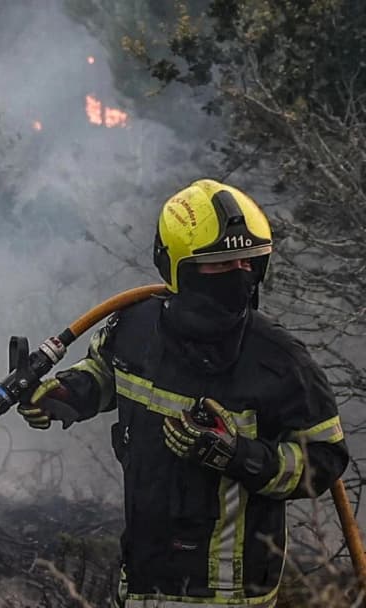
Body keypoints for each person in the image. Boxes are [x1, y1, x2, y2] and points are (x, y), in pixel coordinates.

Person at [17, 179, 349, 607]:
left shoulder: (280, 361)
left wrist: (238, 455)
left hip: (228, 596)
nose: (239, 276)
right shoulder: (135, 329)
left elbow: (325, 459)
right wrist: (65, 394)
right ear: (176, 267)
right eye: (219, 265)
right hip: (142, 582)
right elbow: (105, 373)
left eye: (248, 263)